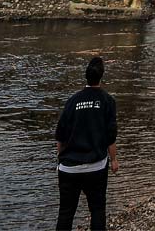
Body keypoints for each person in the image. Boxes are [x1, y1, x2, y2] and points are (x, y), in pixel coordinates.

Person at [55, 56, 118, 231]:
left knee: (66, 213)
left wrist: (59, 160)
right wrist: (113, 160)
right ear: (101, 77)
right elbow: (110, 136)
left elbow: (60, 136)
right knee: (97, 210)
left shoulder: (72, 101)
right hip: (96, 167)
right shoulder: (107, 101)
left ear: (86, 77)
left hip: (69, 167)